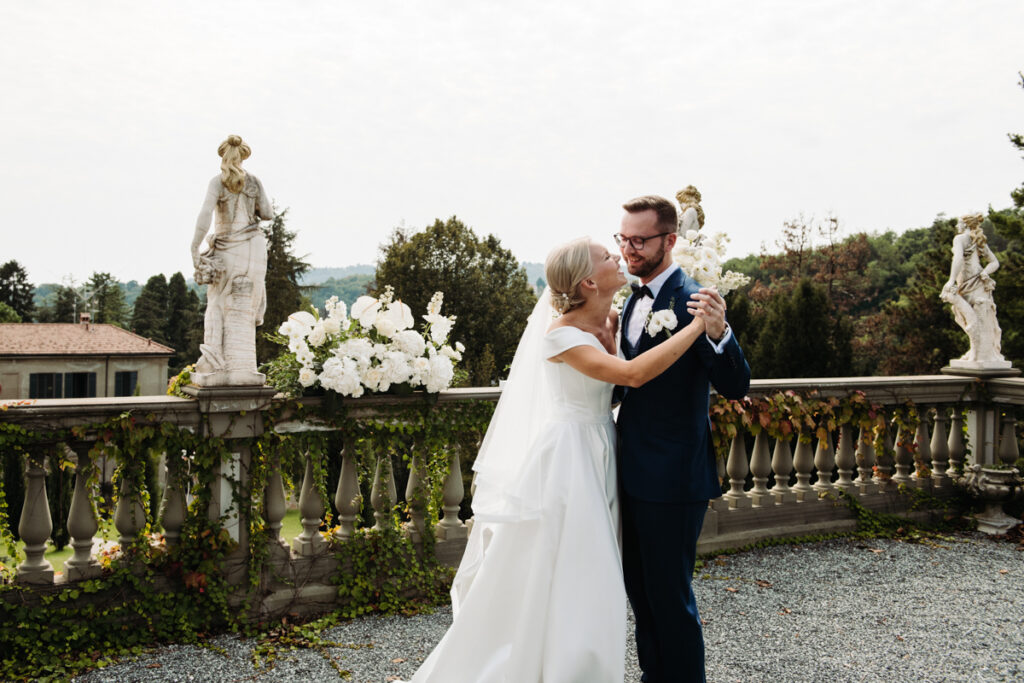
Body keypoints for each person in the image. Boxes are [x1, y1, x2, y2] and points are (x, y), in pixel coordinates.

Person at [404, 237, 711, 682]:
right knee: (579, 569)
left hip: (606, 448)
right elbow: (632, 374)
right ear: (588, 280)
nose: (618, 255)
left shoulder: (615, 318)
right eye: (608, 256)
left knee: (603, 570)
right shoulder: (560, 335)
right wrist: (698, 325)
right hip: (569, 459)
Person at [615, 195, 751, 683]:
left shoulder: (694, 300)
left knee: (671, 600)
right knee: (641, 595)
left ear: (669, 240)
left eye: (640, 240)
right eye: (624, 238)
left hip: (672, 480)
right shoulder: (631, 297)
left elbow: (737, 386)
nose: (629, 249)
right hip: (627, 473)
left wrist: (720, 333)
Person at [190, 134, 272, 384]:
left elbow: (205, 213)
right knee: (245, 309)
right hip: (254, 248)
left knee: (218, 302)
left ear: (223, 156)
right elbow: (267, 213)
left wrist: (195, 246)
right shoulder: (254, 182)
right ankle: (242, 365)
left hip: (229, 247)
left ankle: (216, 363)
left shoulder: (219, 182)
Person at [940, 213, 1005, 364]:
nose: (957, 226)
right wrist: (984, 272)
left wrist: (950, 280)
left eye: (959, 223)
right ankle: (977, 351)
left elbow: (958, 259)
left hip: (974, 283)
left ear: (966, 225)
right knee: (967, 317)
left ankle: (982, 354)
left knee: (976, 319)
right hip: (971, 284)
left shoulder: (960, 238)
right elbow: (994, 262)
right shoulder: (976, 240)